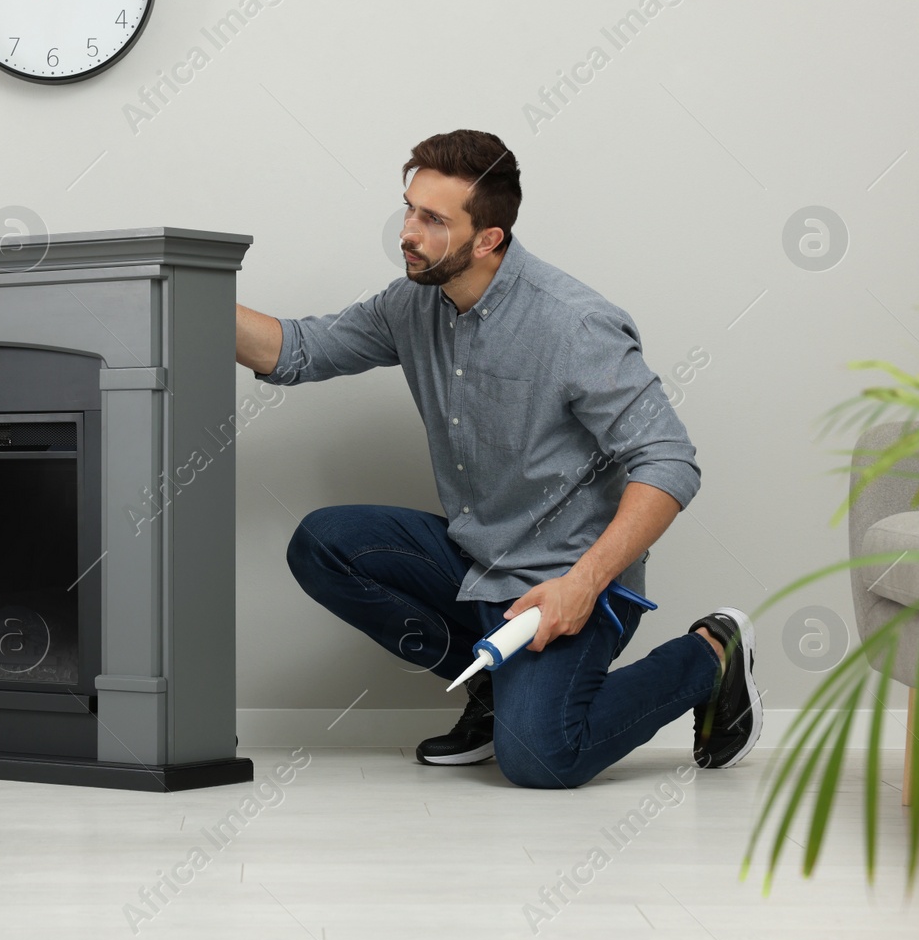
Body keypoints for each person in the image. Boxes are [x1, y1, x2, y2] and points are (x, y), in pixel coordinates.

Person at [234, 129, 760, 788]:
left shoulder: (574, 324)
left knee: (540, 756)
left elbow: (669, 462)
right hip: (476, 561)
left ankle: (710, 655)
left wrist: (582, 584)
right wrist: (190, 297)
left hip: (566, 582)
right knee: (325, 543)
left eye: (433, 220)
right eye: (409, 209)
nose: (408, 232)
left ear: (489, 239)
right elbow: (299, 349)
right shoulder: (413, 302)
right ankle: (494, 687)